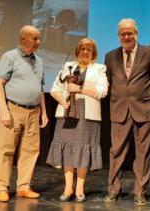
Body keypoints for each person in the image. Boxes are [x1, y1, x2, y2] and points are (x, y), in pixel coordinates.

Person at [103, 18, 150, 206]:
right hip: (119, 108)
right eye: (123, 33)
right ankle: (114, 190)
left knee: (143, 152)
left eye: (130, 33)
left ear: (136, 33)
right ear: (118, 35)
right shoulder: (110, 56)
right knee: (116, 151)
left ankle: (140, 192)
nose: (127, 36)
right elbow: (108, 81)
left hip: (145, 109)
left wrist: (144, 95)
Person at [46, 38, 108, 203]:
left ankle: (80, 189)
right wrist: (62, 100)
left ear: (93, 53)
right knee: (67, 149)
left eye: (88, 49)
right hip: (68, 112)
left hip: (87, 114)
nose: (85, 52)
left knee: (82, 150)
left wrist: (80, 89)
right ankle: (68, 188)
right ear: (77, 51)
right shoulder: (68, 67)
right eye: (82, 49)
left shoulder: (100, 69)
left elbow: (103, 91)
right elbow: (54, 89)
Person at [0, 25, 48, 202]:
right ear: (23, 39)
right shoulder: (9, 57)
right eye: (35, 38)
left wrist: (44, 113)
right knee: (6, 150)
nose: (39, 42)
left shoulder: (38, 61)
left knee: (30, 151)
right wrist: (4, 110)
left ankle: (23, 186)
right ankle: (2, 187)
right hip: (13, 109)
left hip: (34, 111)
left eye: (39, 38)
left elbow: (40, 88)